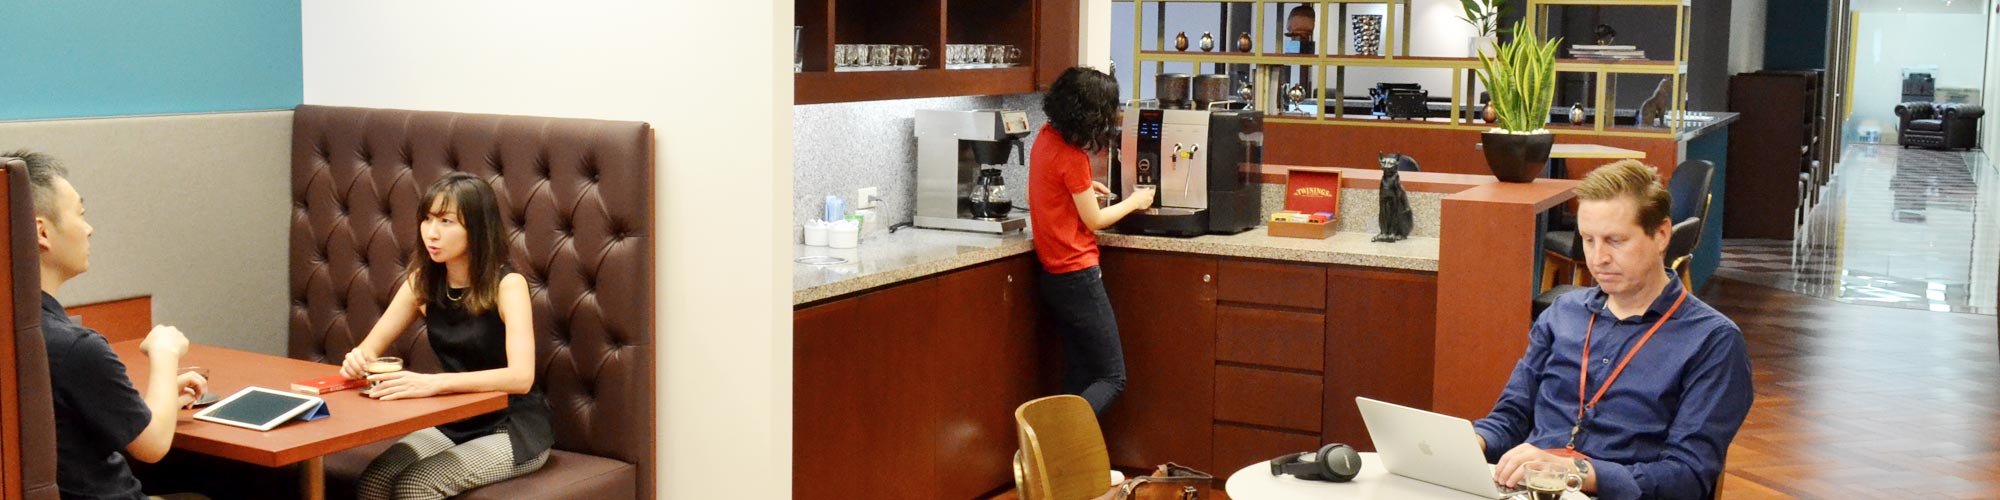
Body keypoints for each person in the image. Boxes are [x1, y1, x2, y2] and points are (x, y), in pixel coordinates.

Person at [1473, 160, 1753, 500]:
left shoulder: (1713, 341)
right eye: (1588, 240)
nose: (1598, 258)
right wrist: (1473, 442)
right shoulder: (1562, 314)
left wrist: (1577, 473)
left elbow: (1687, 477)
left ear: (1661, 235)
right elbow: (1510, 417)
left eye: (1615, 241)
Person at [340, 173, 552, 500]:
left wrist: (433, 384)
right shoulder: (421, 283)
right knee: (374, 482)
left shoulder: (508, 285)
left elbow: (521, 378)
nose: (432, 233)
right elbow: (368, 350)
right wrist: (356, 361)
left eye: (446, 221)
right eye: (427, 219)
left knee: (414, 486)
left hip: (513, 425)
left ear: (477, 228)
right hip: (456, 419)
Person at [14, 149, 210, 500]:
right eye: (80, 214)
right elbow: (152, 445)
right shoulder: (75, 348)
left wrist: (162, 398)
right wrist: (164, 353)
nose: (89, 229)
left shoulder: (17, 334)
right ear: (41, 232)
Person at [1030, 67, 1155, 416]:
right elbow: (1096, 221)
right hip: (1078, 276)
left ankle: (1059, 449)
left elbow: (1047, 191)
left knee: (1081, 372)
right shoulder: (1073, 158)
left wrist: (1083, 189)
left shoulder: (1045, 137)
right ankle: (1061, 435)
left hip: (1053, 277)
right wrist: (1136, 201)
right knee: (1112, 377)